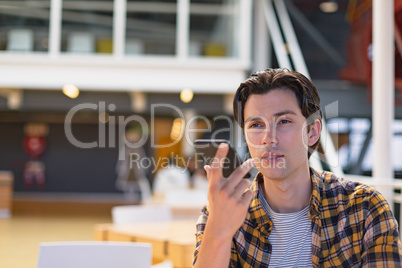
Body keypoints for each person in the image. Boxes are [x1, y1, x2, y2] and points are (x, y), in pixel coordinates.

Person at [193, 68, 402, 267]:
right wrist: (218, 232)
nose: (268, 139)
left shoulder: (364, 208)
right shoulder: (221, 212)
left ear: (312, 132)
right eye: (256, 125)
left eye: (283, 121)